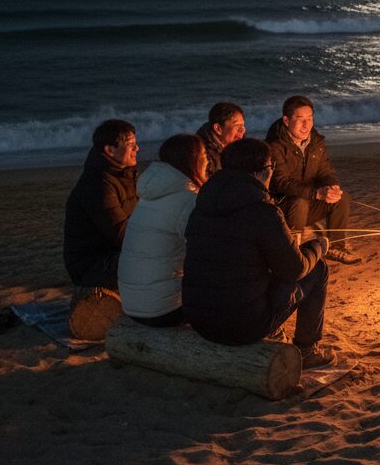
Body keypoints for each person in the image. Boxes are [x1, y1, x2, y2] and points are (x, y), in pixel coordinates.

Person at [182, 138, 333, 368]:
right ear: (263, 171)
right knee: (317, 269)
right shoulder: (262, 210)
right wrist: (319, 246)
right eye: (271, 169)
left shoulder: (202, 205)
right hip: (241, 326)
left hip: (199, 319)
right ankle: (307, 349)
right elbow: (295, 269)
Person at [119, 133, 208, 327]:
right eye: (204, 154)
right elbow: (207, 254)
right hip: (164, 310)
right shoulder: (188, 201)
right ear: (194, 160)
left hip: (132, 305)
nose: (207, 160)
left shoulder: (148, 197)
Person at [267, 95, 360, 264]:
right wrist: (315, 193)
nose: (306, 124)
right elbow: (281, 182)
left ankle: (336, 246)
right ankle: (294, 250)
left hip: (309, 201)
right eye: (300, 119)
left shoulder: (316, 142)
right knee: (300, 201)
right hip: (282, 207)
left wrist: (332, 187)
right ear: (286, 120)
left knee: (342, 198)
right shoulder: (275, 146)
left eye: (309, 119)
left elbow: (325, 171)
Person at [63, 119, 139, 291]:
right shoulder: (99, 185)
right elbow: (121, 235)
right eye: (131, 145)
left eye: (136, 143)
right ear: (110, 150)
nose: (137, 149)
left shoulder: (123, 176)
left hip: (111, 255)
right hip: (92, 266)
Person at [196, 101, 246, 175]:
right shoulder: (203, 155)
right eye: (237, 126)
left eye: (242, 125)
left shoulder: (239, 145)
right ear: (218, 129)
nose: (242, 130)